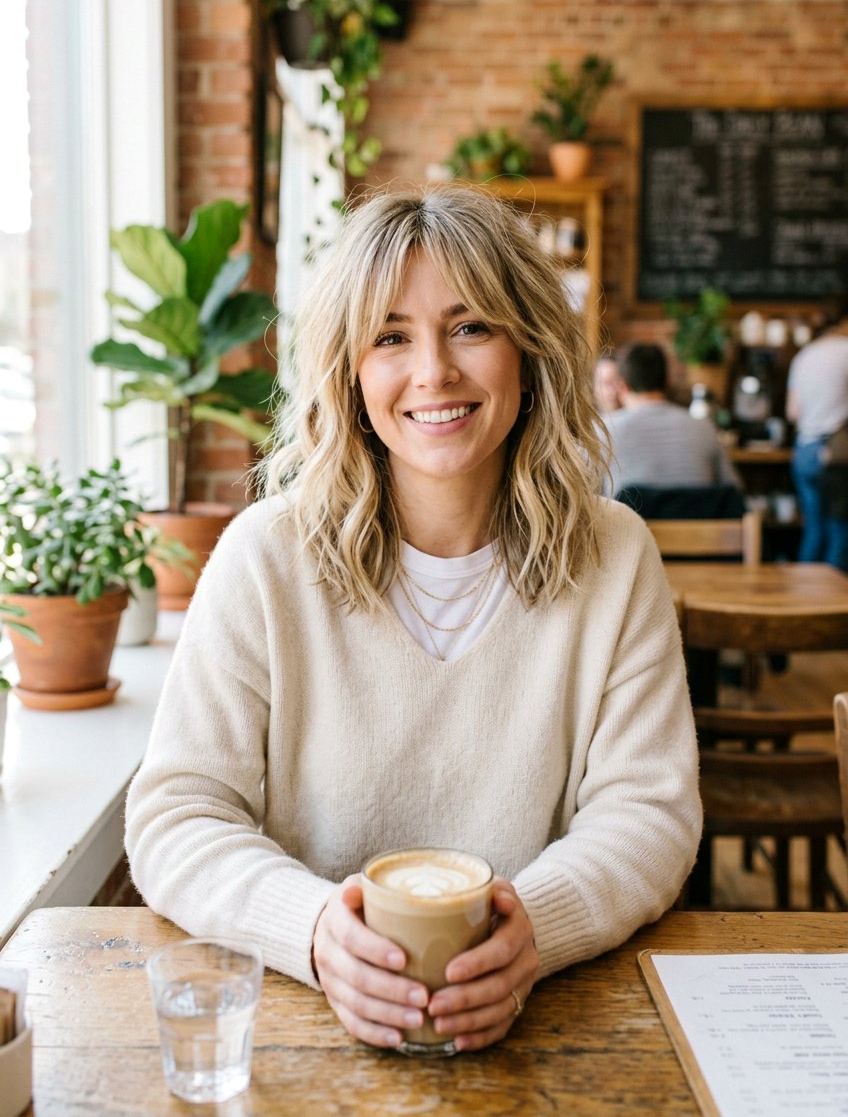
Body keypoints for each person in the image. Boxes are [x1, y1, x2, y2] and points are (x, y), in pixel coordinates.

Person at [125, 185, 701, 1055]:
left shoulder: (615, 555)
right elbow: (178, 813)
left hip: (543, 1033)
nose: (433, 371)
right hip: (306, 1034)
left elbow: (650, 814)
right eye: (391, 337)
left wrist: (535, 929)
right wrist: (315, 930)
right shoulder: (265, 557)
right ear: (349, 373)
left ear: (530, 349)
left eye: (471, 326)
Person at [603, 342, 742, 498]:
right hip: (695, 522)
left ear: (622, 386)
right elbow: (734, 491)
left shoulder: (604, 429)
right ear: (668, 382)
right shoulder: (704, 427)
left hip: (630, 522)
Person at [785, 300, 848, 571]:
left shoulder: (804, 356)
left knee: (813, 530)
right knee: (840, 530)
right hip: (836, 451)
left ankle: (803, 606)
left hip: (805, 451)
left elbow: (792, 412)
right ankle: (833, 610)